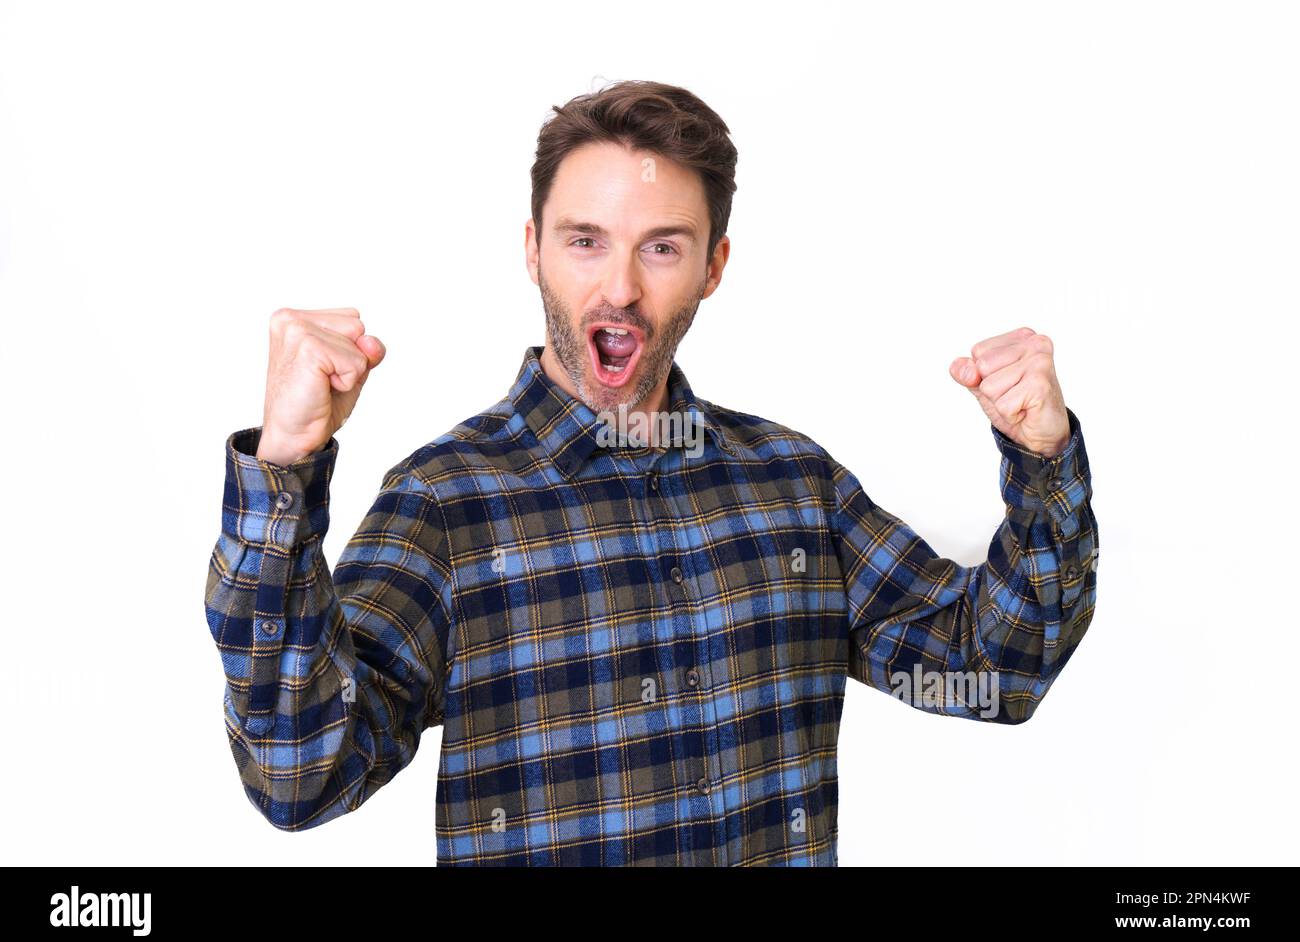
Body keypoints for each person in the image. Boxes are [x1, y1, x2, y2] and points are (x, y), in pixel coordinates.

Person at [204, 79, 1098, 866]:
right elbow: (301, 777)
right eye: (585, 240)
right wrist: (283, 470)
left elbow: (993, 670)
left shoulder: (793, 486)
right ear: (533, 250)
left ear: (714, 266)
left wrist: (1042, 461)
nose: (621, 288)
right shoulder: (445, 506)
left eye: (662, 247)